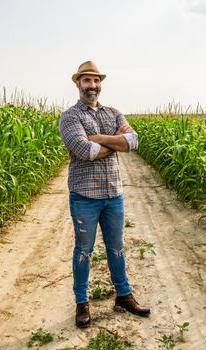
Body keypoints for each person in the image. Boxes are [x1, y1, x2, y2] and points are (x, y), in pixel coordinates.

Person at [59, 61, 150, 328]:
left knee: (117, 248)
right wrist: (114, 141)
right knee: (84, 251)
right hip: (84, 195)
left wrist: (97, 137)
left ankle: (124, 296)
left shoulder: (114, 112)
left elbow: (133, 142)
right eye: (87, 81)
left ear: (101, 84)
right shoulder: (70, 117)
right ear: (78, 84)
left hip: (113, 194)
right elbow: (85, 152)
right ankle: (82, 303)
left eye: (96, 81)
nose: (92, 86)